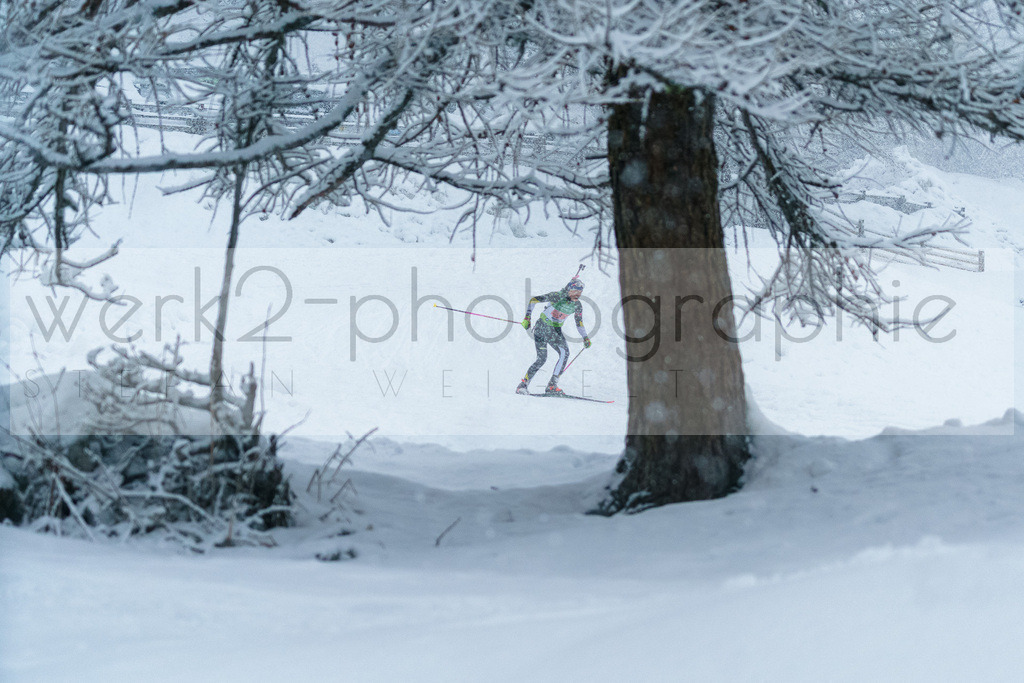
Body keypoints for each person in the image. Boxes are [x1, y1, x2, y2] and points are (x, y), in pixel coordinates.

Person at [517, 277, 591, 395]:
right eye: (576, 291)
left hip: (555, 331)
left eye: (580, 292)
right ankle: (523, 385)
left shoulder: (577, 305)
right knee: (541, 359)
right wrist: (527, 318)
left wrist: (585, 337)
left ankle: (552, 385)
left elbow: (579, 323)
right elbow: (534, 300)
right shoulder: (557, 296)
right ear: (569, 290)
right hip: (542, 327)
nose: (578, 295)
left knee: (565, 353)